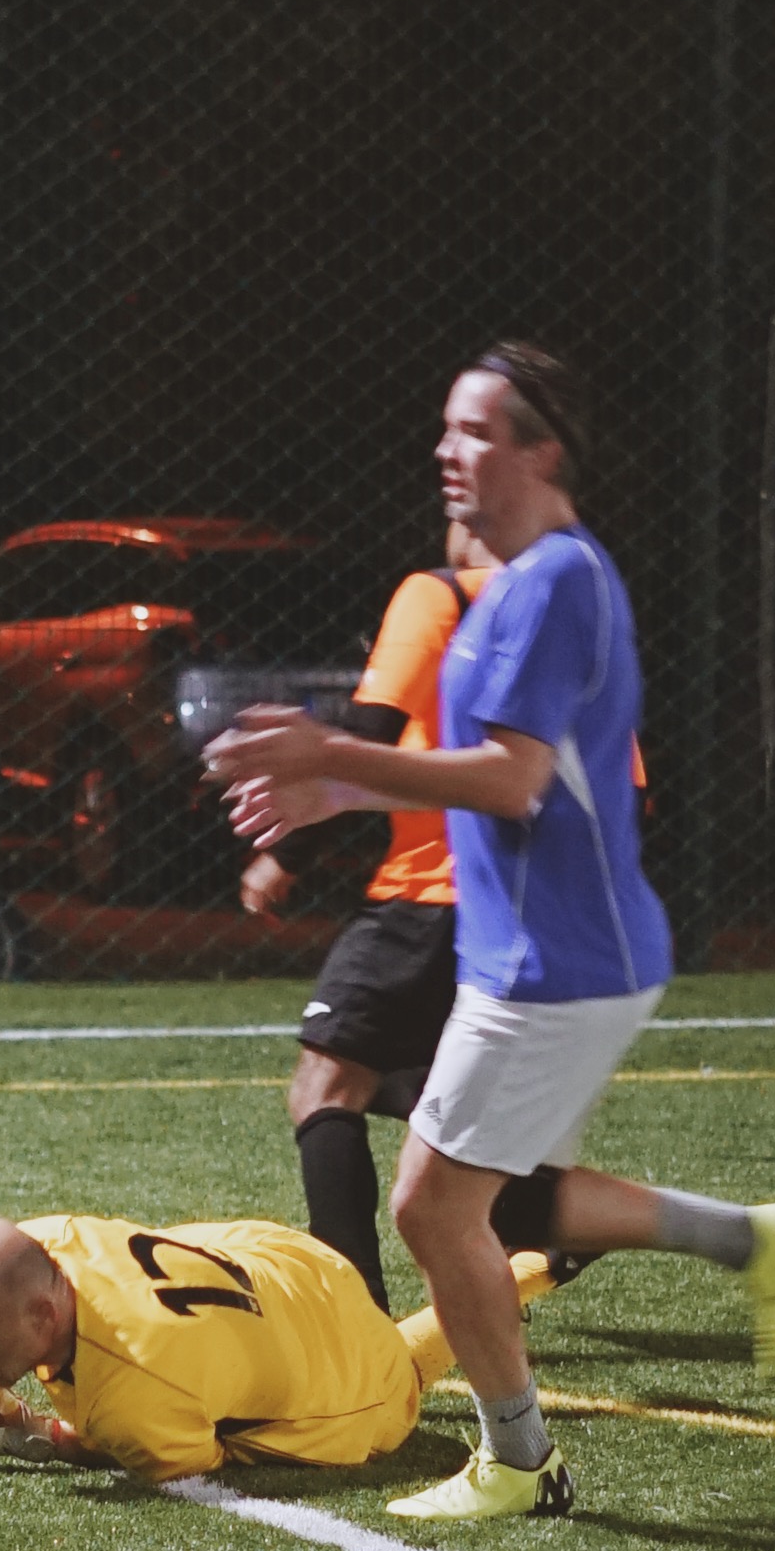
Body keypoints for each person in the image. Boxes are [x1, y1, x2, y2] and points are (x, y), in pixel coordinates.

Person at [207, 342, 775, 1522]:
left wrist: (330, 752)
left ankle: (519, 1460)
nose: (448, 449)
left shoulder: (552, 585)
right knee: (497, 1202)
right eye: (447, 427)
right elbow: (472, 768)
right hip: (530, 955)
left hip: (556, 965)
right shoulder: (511, 585)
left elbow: (511, 779)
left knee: (433, 1207)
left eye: (477, 430)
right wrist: (341, 792)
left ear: (543, 450)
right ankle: (746, 1245)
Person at [0, 1212, 564, 1484]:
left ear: (40, 1314)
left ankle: (544, 1258)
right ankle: (548, 1253)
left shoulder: (131, 1388)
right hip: (292, 1261)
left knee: (407, 1358)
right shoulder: (48, 1243)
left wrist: (30, 1432)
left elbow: (176, 1453)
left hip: (359, 1388)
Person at [237, 523, 499, 1312]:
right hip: (522, 904)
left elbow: (369, 731)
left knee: (324, 1085)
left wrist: (288, 851)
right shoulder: (568, 609)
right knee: (432, 1098)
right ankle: (603, 1222)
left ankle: (354, 1315)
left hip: (427, 897)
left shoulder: (436, 594)